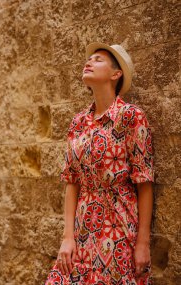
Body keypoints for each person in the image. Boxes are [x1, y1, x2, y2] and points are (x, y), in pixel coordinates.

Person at [44, 43, 154, 284]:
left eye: (98, 60)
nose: (89, 62)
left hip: (118, 228)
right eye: (89, 59)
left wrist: (143, 244)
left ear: (116, 74)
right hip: (82, 227)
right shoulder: (78, 122)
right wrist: (67, 237)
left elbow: (144, 182)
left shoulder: (131, 117)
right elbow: (71, 181)